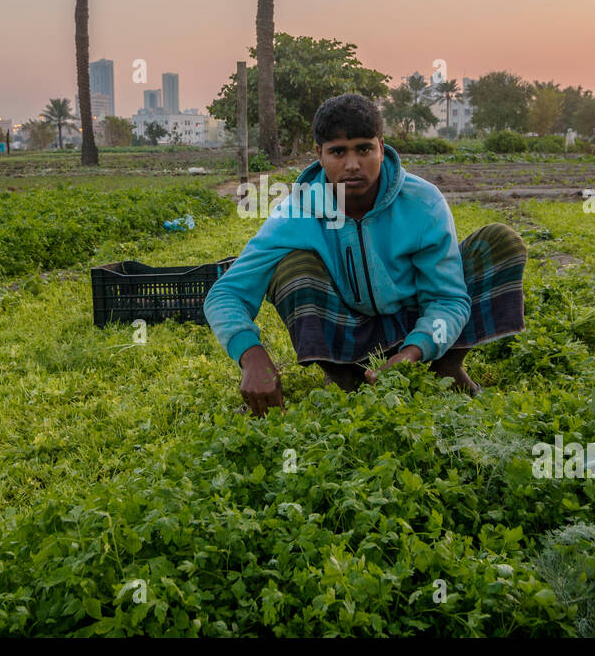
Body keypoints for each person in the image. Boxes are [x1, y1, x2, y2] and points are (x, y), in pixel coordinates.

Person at [203, 93, 528, 416]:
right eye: (337, 152)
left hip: (415, 320)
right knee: (293, 268)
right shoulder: (298, 211)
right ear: (319, 155)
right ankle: (344, 376)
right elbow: (227, 293)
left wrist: (414, 351)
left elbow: (448, 299)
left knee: (498, 243)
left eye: (363, 148)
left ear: (381, 147)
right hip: (348, 327)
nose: (352, 164)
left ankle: (445, 365)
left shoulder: (422, 202)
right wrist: (252, 355)